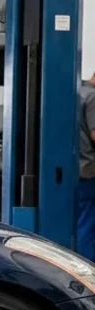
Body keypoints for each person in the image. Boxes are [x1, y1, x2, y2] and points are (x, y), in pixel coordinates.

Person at [77, 72, 95, 260]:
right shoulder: (92, 96)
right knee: (88, 225)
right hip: (89, 171)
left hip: (76, 170)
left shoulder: (77, 92)